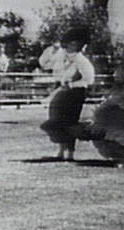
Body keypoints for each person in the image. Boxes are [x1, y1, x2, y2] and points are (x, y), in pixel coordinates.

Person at [71, 31, 124, 167]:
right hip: (121, 102)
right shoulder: (121, 67)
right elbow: (117, 85)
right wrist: (108, 97)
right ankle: (119, 156)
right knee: (102, 125)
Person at [40, 27, 95, 160]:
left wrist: (72, 84)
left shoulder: (82, 61)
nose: (72, 45)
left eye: (75, 43)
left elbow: (89, 79)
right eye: (71, 42)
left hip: (74, 93)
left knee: (69, 121)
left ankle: (70, 152)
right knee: (56, 120)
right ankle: (61, 150)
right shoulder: (60, 55)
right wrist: (51, 50)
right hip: (59, 91)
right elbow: (44, 64)